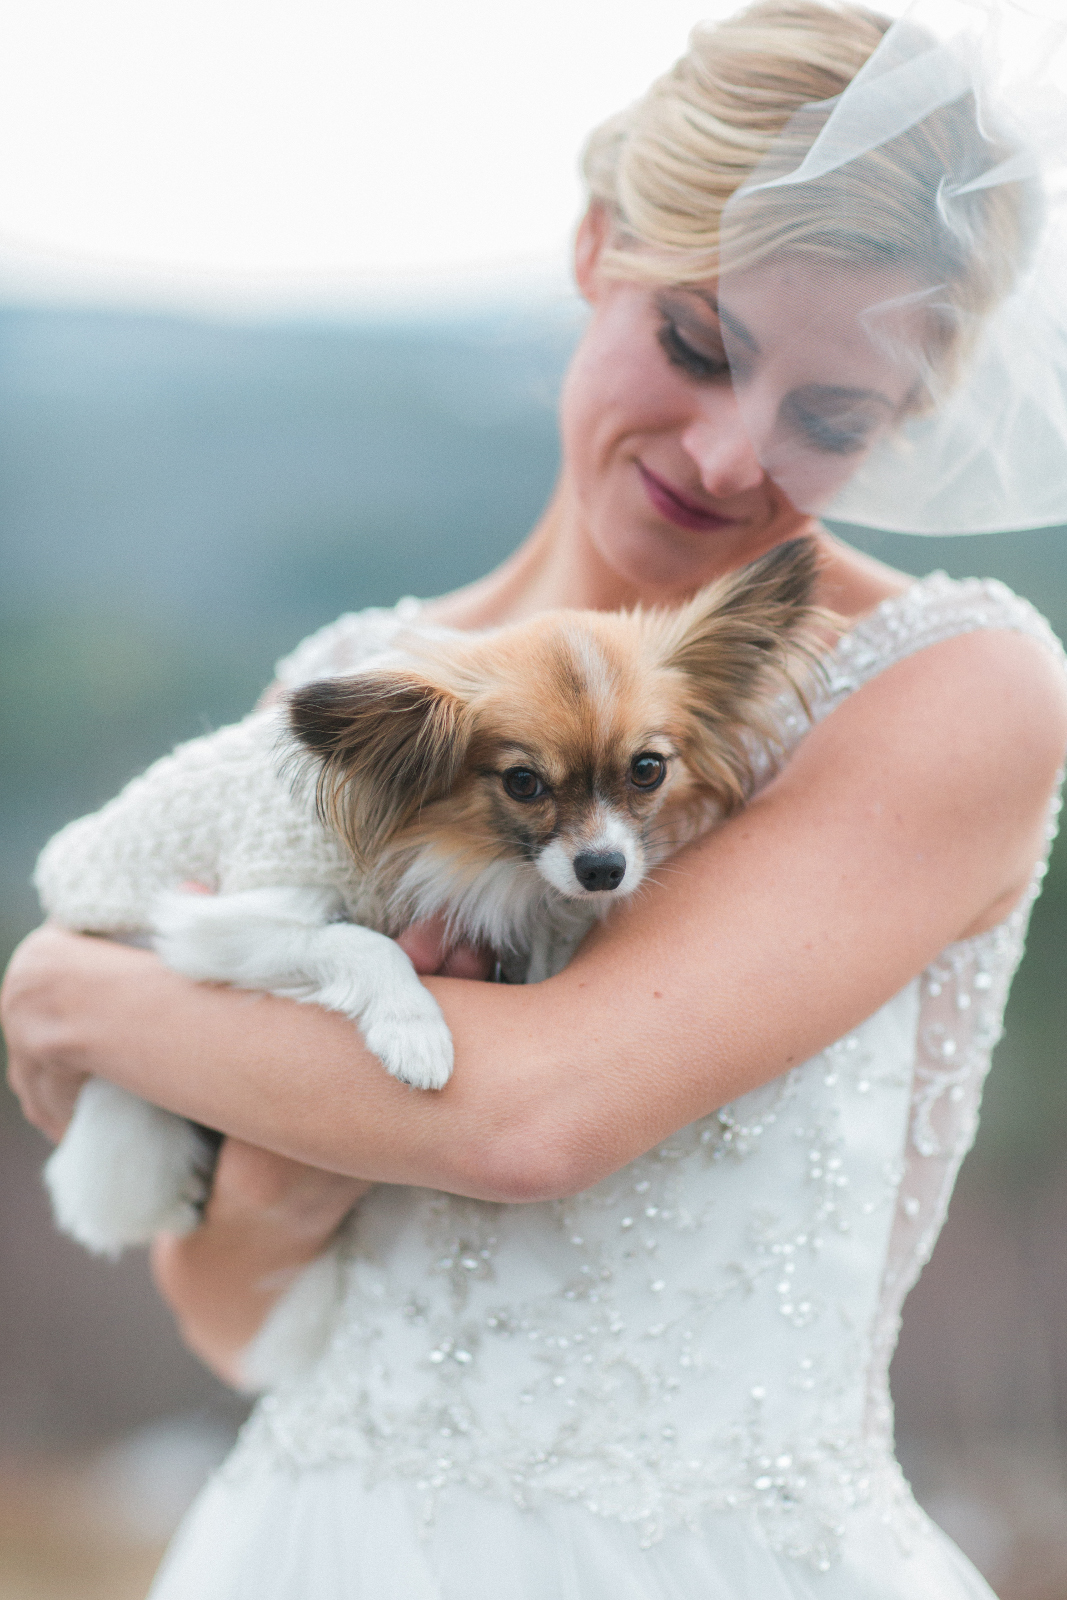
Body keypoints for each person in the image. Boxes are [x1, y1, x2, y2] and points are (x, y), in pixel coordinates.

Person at [5, 1, 1067, 1594]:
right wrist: (297, 1165)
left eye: (831, 419)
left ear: (908, 420)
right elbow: (226, 1316)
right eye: (701, 342)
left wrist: (72, 990)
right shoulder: (365, 697)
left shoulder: (947, 685)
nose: (728, 454)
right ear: (593, 247)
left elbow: (535, 1118)